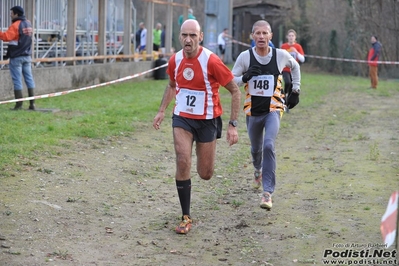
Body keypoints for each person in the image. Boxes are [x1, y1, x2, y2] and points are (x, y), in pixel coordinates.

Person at [152, 19, 241, 234]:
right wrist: (163, 110)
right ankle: (185, 216)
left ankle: (204, 165)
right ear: (179, 37)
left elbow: (235, 91)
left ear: (200, 37)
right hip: (182, 117)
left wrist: (232, 125)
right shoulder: (175, 60)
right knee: (182, 159)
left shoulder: (211, 61)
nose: (188, 39)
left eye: (193, 35)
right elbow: (172, 86)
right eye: (184, 35)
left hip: (207, 120)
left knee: (205, 173)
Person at [231, 20, 301, 210]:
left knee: (269, 145)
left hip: (273, 110)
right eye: (257, 33)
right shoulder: (245, 57)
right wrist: (244, 78)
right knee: (256, 149)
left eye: (265, 33)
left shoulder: (280, 55)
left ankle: (267, 193)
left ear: (270, 36)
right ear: (252, 37)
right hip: (253, 112)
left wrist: (295, 90)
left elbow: (295, 66)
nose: (261, 37)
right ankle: (257, 169)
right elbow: (230, 80)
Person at [0, 6, 36, 110]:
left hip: (16, 57)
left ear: (16, 14)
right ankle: (32, 104)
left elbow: (6, 37)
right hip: (27, 56)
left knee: (17, 80)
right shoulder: (28, 23)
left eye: (12, 13)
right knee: (29, 79)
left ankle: (19, 105)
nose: (10, 15)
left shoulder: (16, 25)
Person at [280, 29, 304, 110]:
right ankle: (285, 94)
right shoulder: (284, 46)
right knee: (288, 82)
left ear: (295, 37)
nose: (291, 37)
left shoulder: (298, 46)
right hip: (285, 69)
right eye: (289, 36)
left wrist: (296, 52)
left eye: (292, 36)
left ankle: (288, 102)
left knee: (292, 86)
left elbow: (302, 59)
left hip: (294, 70)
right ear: (287, 37)